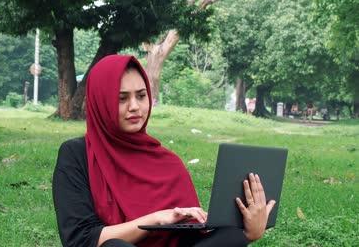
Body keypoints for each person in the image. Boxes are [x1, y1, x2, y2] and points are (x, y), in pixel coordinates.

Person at [53, 55, 276, 247]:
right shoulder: (77, 155)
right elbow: (80, 239)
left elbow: (192, 241)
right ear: (100, 101)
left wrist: (248, 233)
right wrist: (156, 219)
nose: (134, 106)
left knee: (230, 235)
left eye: (141, 96)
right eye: (122, 98)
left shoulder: (168, 163)